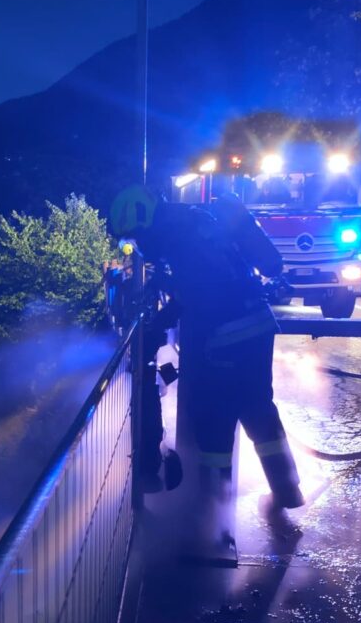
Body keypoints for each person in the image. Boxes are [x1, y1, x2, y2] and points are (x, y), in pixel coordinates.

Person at [109, 185, 304, 523]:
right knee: (259, 410)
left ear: (146, 220)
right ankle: (287, 491)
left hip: (226, 336)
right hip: (257, 326)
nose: (138, 244)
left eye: (137, 235)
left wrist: (162, 320)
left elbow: (199, 292)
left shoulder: (179, 238)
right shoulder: (194, 222)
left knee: (215, 421)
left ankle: (214, 513)